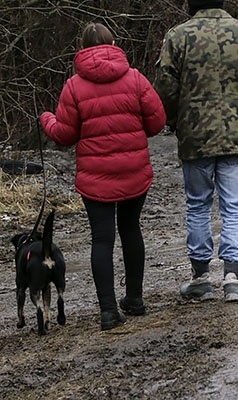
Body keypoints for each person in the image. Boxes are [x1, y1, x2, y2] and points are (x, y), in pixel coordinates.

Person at [155, 0, 238, 303]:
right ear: (221, 2)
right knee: (233, 207)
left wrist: (172, 119)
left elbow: (165, 86)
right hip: (237, 134)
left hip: (194, 136)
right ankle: (233, 279)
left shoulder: (178, 37)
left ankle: (200, 278)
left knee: (197, 206)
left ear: (191, 5)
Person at [41, 23, 166, 331]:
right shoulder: (135, 78)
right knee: (131, 229)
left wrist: (46, 119)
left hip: (95, 177)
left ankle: (109, 311)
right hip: (134, 171)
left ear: (81, 49)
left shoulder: (74, 86)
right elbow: (157, 122)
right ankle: (135, 299)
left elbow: (65, 136)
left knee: (102, 238)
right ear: (114, 43)